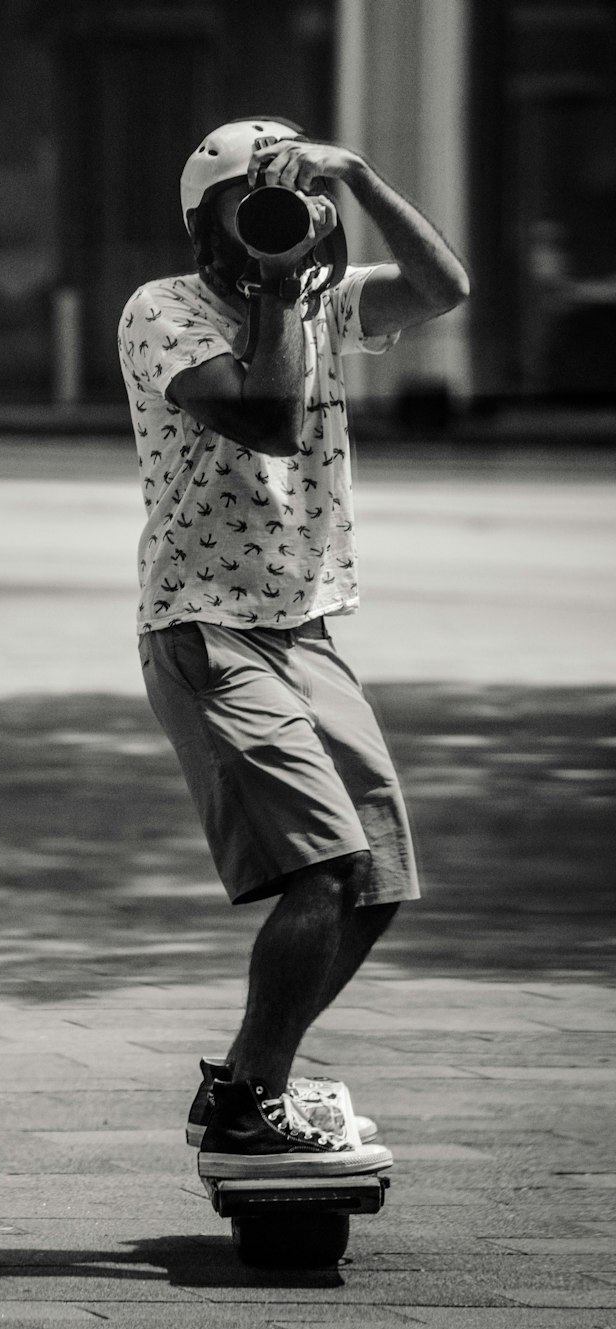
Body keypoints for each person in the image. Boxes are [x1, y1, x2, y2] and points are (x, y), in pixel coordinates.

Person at [117, 118, 469, 1179]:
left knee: (377, 879)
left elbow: (442, 287)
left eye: (288, 206)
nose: (276, 227)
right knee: (321, 870)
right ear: (203, 224)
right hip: (206, 625)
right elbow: (265, 419)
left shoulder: (318, 303)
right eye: (249, 207)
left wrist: (356, 177)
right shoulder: (163, 310)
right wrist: (277, 287)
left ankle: (245, 1082)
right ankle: (254, 1097)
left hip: (305, 625)